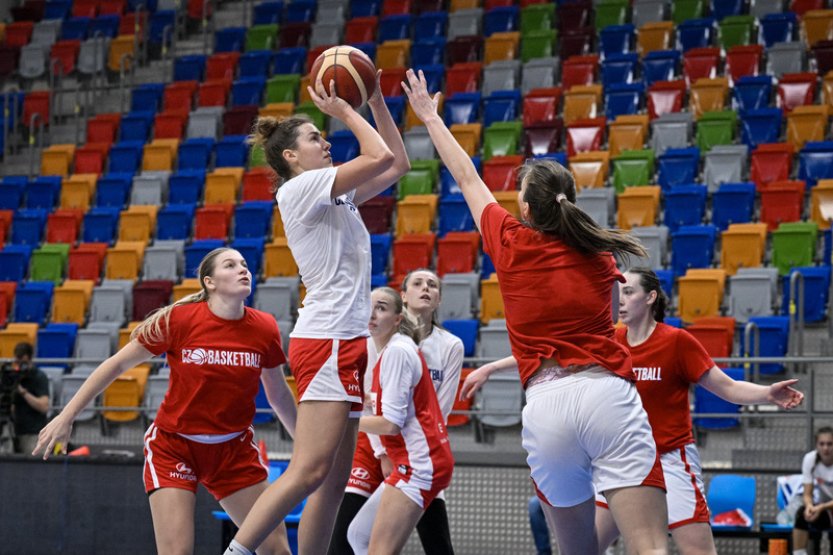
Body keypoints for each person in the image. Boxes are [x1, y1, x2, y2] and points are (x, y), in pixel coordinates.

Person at [403, 68, 669, 555]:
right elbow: (611, 322)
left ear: (525, 208)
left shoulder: (509, 241)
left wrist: (428, 117)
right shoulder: (601, 256)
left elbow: (465, 173)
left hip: (545, 405)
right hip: (607, 394)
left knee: (575, 551)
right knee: (650, 544)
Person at [224, 70, 411, 555]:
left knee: (332, 480)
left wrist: (374, 99)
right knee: (309, 469)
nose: (324, 140)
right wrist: (348, 109)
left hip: (344, 340)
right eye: (314, 137)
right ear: (290, 157)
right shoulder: (299, 189)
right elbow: (379, 156)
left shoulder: (337, 197)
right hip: (326, 338)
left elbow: (398, 164)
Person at [33, 248, 298, 555]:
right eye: (231, 265)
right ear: (210, 282)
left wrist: (306, 450)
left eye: (244, 264)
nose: (243, 269)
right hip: (175, 448)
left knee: (276, 549)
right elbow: (116, 365)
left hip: (233, 451)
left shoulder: (264, 328)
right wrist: (67, 416)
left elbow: (278, 394)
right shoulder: (180, 320)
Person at [329, 269, 463, 554]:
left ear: (397, 316)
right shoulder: (381, 347)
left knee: (428, 541)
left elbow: (396, 419)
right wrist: (381, 451)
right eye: (417, 283)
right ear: (404, 295)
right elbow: (375, 403)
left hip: (416, 451)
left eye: (432, 285)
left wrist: (342, 421)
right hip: (384, 445)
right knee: (354, 535)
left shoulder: (407, 350)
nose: (425, 289)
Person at [793, 427, 833, 555]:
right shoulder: (810, 459)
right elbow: (807, 494)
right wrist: (810, 506)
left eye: (830, 444)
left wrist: (821, 507)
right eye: (822, 444)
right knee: (802, 515)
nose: (825, 448)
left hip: (826, 507)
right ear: (816, 445)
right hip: (823, 509)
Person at [9, 342, 49, 455]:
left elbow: (44, 407)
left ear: (30, 359)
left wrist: (23, 393)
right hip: (14, 431)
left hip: (34, 433)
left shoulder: (39, 377)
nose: (20, 366)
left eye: (24, 363)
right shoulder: (12, 377)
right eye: (17, 362)